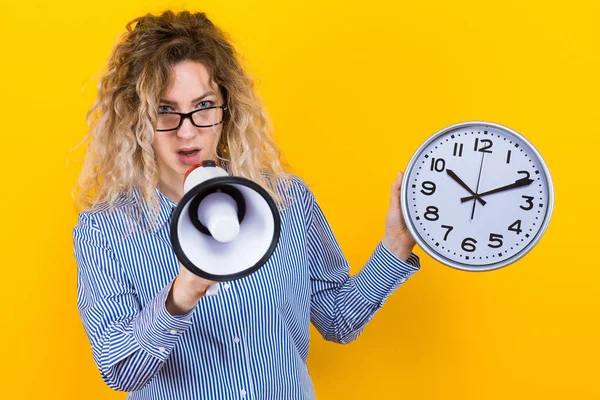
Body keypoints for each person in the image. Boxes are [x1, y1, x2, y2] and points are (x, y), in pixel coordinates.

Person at [73, 9, 421, 400]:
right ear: (138, 119)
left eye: (203, 105)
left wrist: (395, 245)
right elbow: (120, 371)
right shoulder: (106, 231)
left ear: (226, 109)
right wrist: (181, 295)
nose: (187, 132)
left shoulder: (285, 200)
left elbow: (338, 319)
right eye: (165, 110)